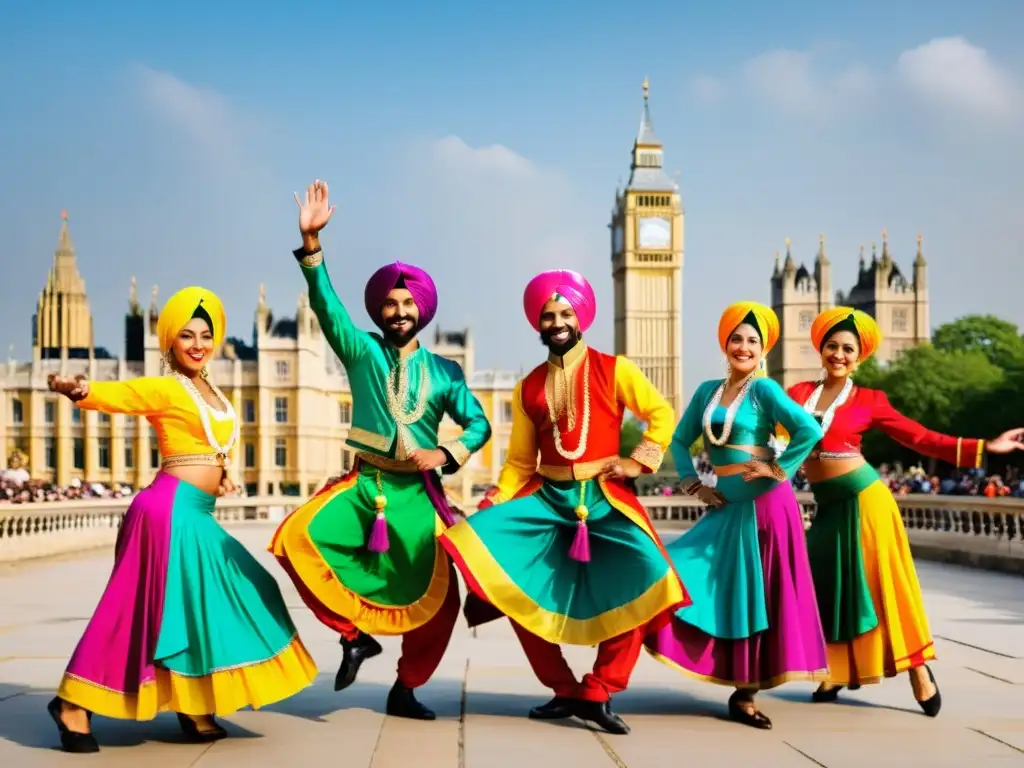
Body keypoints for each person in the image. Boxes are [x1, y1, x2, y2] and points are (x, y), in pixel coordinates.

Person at [46, 287, 318, 754]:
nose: (197, 343)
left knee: (219, 598)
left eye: (205, 335)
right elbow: (123, 395)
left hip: (195, 511)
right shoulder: (168, 386)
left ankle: (193, 699)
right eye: (186, 335)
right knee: (135, 611)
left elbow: (210, 448)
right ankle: (73, 704)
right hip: (166, 513)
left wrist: (224, 476)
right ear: (169, 341)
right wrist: (81, 389)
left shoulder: (213, 392)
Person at [269, 180, 491, 721]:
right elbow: (328, 310)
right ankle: (352, 637)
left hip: (418, 496)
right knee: (295, 539)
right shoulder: (361, 350)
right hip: (365, 486)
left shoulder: (444, 372)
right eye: (389, 303)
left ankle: (406, 687)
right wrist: (313, 248)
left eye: (407, 302)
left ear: (422, 310)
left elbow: (479, 424)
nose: (398, 310)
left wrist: (445, 454)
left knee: (440, 605)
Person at [440, 270, 688, 735]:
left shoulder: (616, 369)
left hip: (605, 498)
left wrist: (638, 461)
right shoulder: (529, 385)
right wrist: (496, 497)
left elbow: (661, 413)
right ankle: (563, 688)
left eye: (565, 313)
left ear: (581, 319)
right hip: (548, 501)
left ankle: (599, 688)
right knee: (517, 590)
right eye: (548, 315)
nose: (556, 321)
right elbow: (518, 460)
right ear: (538, 324)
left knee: (650, 582)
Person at [786, 307, 1024, 714]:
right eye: (832, 346)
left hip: (867, 504)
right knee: (822, 585)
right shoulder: (795, 394)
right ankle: (838, 668)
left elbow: (921, 438)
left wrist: (985, 447)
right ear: (820, 349)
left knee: (886, 589)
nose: (839, 354)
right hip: (827, 507)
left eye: (848, 348)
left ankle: (917, 670)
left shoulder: (870, 399)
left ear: (859, 356)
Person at [644, 301, 828, 730]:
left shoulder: (765, 391)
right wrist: (693, 483)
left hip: (767, 505)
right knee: (681, 572)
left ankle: (746, 694)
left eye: (752, 341)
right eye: (736, 338)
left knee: (760, 591)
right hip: (725, 503)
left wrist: (778, 468)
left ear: (763, 349)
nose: (743, 347)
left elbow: (810, 429)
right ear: (724, 343)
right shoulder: (707, 390)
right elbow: (679, 438)